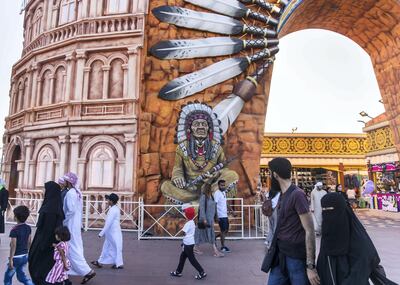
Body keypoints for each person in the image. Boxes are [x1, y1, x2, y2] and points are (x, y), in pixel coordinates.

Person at [317, 193, 397, 285]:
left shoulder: (357, 236)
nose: (328, 216)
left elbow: (366, 260)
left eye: (331, 210)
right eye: (325, 210)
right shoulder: (328, 234)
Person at [264, 157, 319, 285]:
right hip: (280, 254)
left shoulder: (297, 195)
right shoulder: (282, 195)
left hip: (295, 257)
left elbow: (309, 230)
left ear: (275, 175)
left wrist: (310, 266)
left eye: (270, 173)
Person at [62, 172, 96, 284]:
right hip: (76, 224)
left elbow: (70, 210)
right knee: (76, 246)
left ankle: (87, 271)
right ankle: (71, 269)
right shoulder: (78, 192)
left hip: (70, 224)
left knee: (72, 248)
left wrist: (64, 221)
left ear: (69, 182)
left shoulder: (71, 193)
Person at [29, 181, 65, 285]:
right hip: (47, 241)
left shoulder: (50, 209)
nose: (44, 191)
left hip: (45, 242)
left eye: (45, 189)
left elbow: (48, 229)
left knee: (38, 265)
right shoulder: (53, 205)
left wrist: (43, 245)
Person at [170, 206, 207, 280]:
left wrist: (180, 227)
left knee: (192, 259)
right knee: (182, 258)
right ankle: (178, 271)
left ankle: (201, 272)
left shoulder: (188, 224)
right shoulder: (192, 222)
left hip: (188, 244)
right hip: (189, 243)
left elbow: (183, 232)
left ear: (186, 215)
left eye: (185, 213)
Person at [91, 193, 123, 269]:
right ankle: (102, 262)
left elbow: (108, 223)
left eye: (108, 199)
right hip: (112, 232)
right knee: (111, 247)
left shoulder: (113, 210)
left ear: (111, 201)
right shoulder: (114, 209)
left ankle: (115, 263)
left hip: (113, 232)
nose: (107, 200)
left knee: (112, 247)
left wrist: (101, 233)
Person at [4, 205, 34, 285]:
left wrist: (11, 259)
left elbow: (13, 245)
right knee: (21, 277)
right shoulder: (28, 228)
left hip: (16, 257)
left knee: (7, 278)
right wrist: (28, 253)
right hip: (24, 256)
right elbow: (29, 242)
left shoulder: (14, 230)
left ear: (16, 217)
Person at [194, 182, 224, 257]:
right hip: (205, 220)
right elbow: (202, 208)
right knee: (206, 234)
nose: (213, 189)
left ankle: (195, 248)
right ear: (209, 188)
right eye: (211, 188)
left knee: (204, 234)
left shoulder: (211, 196)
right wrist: (204, 219)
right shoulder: (203, 197)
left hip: (210, 219)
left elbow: (214, 207)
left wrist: (215, 216)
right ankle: (215, 251)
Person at [261, 183, 280, 248]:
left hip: (269, 210)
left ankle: (268, 240)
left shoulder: (270, 192)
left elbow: (265, 197)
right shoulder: (279, 193)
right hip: (275, 210)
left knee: (271, 227)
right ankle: (271, 244)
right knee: (275, 227)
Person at [214, 180, 231, 253]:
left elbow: (225, 202)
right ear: (218, 185)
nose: (223, 186)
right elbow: (214, 204)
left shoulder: (223, 192)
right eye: (221, 185)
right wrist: (216, 216)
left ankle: (214, 238)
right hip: (220, 215)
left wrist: (232, 210)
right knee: (223, 231)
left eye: (224, 185)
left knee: (226, 230)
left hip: (225, 215)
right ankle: (223, 247)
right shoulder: (217, 193)